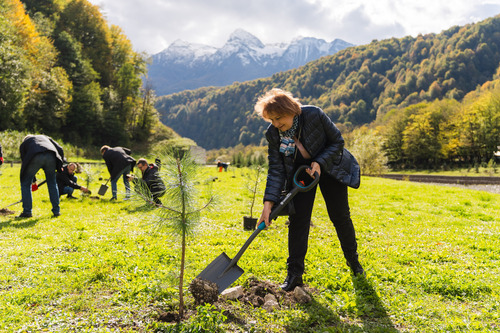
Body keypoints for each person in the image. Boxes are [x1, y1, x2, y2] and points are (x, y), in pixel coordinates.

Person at [255, 88, 364, 292]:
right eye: (272, 120)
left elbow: (337, 142)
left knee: (340, 216)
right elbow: (276, 169)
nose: (277, 124)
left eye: (279, 118)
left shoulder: (314, 114)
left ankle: (354, 263)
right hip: (300, 174)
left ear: (291, 110)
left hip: (330, 166)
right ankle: (294, 274)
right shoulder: (273, 134)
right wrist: (267, 204)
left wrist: (319, 162)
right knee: (298, 221)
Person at [18, 135, 65, 218]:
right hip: (51, 155)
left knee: (25, 183)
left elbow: (25, 163)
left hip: (35, 157)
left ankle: (27, 212)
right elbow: (60, 149)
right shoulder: (46, 137)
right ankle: (56, 211)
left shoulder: (24, 144)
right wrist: (60, 165)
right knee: (52, 183)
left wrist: (32, 180)